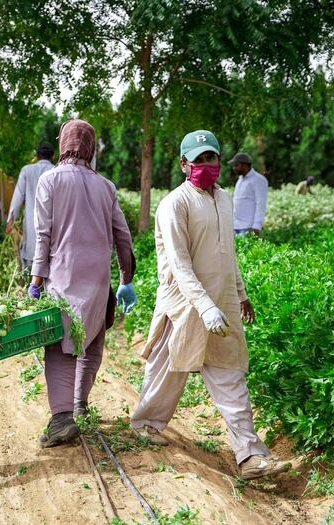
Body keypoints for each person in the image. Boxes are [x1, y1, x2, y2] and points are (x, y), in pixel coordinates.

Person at [130, 130, 291, 481]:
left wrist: (240, 292)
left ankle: (249, 454)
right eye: (198, 159)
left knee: (229, 375)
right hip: (184, 305)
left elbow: (227, 254)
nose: (206, 165)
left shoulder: (224, 199)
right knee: (167, 372)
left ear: (220, 160)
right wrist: (203, 306)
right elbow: (180, 263)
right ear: (183, 164)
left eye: (211, 158)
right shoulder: (176, 203)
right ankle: (146, 423)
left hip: (222, 301)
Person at [29, 119, 137, 448]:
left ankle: (62, 418)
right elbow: (123, 236)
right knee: (91, 343)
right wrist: (125, 279)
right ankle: (79, 403)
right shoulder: (106, 186)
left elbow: (43, 236)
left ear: (63, 144)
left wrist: (35, 279)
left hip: (63, 280)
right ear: (91, 148)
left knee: (60, 348)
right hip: (99, 283)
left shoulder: (49, 181)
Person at [6, 144, 55, 269]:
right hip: (53, 223)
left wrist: (10, 220)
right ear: (53, 156)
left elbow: (18, 197)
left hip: (31, 222)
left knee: (30, 258)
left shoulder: (27, 170)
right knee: (50, 258)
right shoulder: (56, 171)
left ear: (36, 156)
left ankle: (31, 286)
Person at [229, 152, 268, 235]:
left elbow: (261, 204)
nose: (234, 168)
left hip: (248, 227)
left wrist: (257, 226)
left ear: (245, 165)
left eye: (236, 165)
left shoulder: (258, 180)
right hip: (235, 226)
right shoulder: (240, 180)